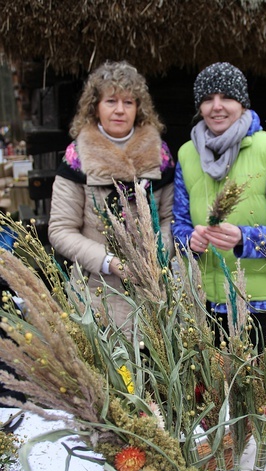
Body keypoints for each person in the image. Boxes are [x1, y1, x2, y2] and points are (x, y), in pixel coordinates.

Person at [172, 62, 266, 348]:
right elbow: (178, 224)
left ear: (242, 103)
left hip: (263, 304)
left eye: (226, 97)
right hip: (204, 301)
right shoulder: (186, 154)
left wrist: (246, 238)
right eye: (207, 99)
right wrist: (189, 239)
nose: (216, 107)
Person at [48, 60, 175, 337]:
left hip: (153, 294)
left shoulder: (159, 155)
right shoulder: (77, 157)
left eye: (128, 102)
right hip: (97, 295)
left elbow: (169, 219)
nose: (120, 110)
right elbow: (60, 229)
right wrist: (110, 262)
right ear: (95, 106)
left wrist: (155, 257)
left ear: (138, 108)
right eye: (111, 101)